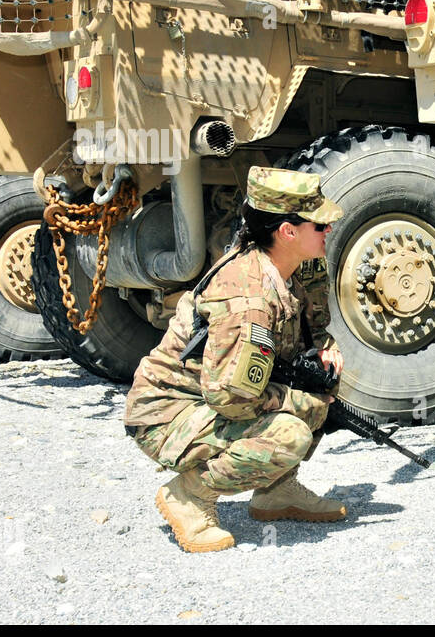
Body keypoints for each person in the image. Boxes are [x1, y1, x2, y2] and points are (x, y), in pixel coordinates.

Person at [123, 166, 348, 553]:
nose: (327, 231)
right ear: (287, 232)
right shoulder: (247, 299)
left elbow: (313, 327)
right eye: (318, 226)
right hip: (169, 412)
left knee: (319, 382)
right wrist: (298, 401)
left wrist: (327, 352)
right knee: (291, 431)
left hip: (218, 396)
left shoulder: (296, 267)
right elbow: (231, 397)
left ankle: (275, 491)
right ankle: (189, 494)